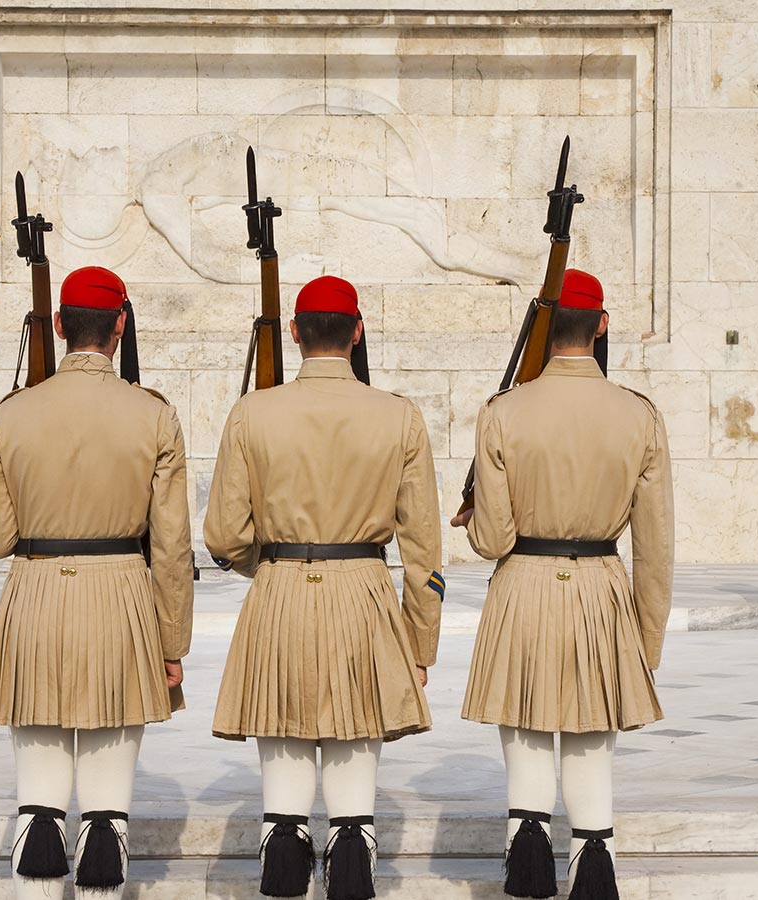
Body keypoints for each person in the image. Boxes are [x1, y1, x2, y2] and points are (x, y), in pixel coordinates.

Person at [206, 275, 443, 900]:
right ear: (357, 332)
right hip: (364, 587)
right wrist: (420, 643)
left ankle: (283, 858)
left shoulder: (252, 412)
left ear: (294, 334)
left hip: (280, 587)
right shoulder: (399, 416)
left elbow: (224, 535)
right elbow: (423, 547)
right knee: (354, 735)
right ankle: (351, 851)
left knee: (283, 739)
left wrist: (273, 565)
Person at [0, 265, 193, 899]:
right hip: (121, 597)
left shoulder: (11, 415)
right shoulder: (154, 416)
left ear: (59, 325)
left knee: (36, 812)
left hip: (35, 596)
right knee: (105, 819)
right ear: (121, 326)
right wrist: (172, 645)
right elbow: (171, 548)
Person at [452, 269, 673, 900]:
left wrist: (474, 524)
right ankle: (593, 857)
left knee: (524, 726)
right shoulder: (640, 415)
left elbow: (493, 541)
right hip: (601, 585)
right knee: (588, 735)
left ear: (545, 330)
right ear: (602, 325)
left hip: (522, 582)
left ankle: (526, 859)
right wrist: (647, 639)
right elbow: (656, 545)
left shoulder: (503, 412)